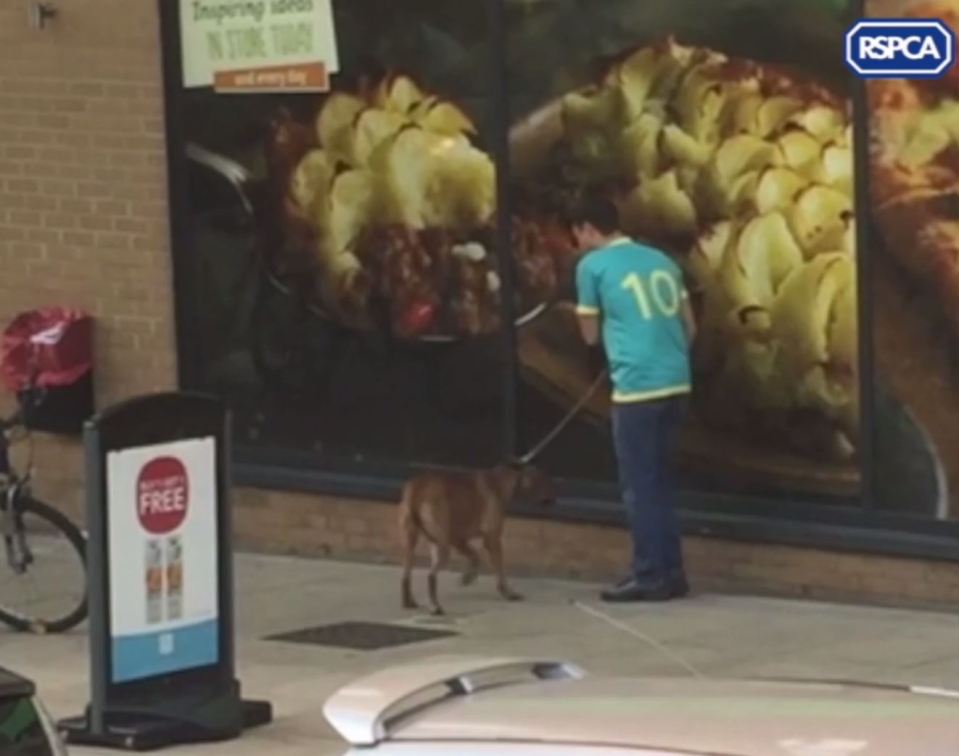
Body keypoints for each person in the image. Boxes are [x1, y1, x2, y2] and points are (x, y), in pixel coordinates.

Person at [571, 195, 696, 602]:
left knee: (639, 486)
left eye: (579, 235)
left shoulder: (592, 267)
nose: (579, 244)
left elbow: (588, 336)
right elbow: (689, 328)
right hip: (676, 382)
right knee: (661, 481)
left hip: (637, 387)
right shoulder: (662, 260)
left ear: (589, 229)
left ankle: (649, 574)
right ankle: (672, 571)